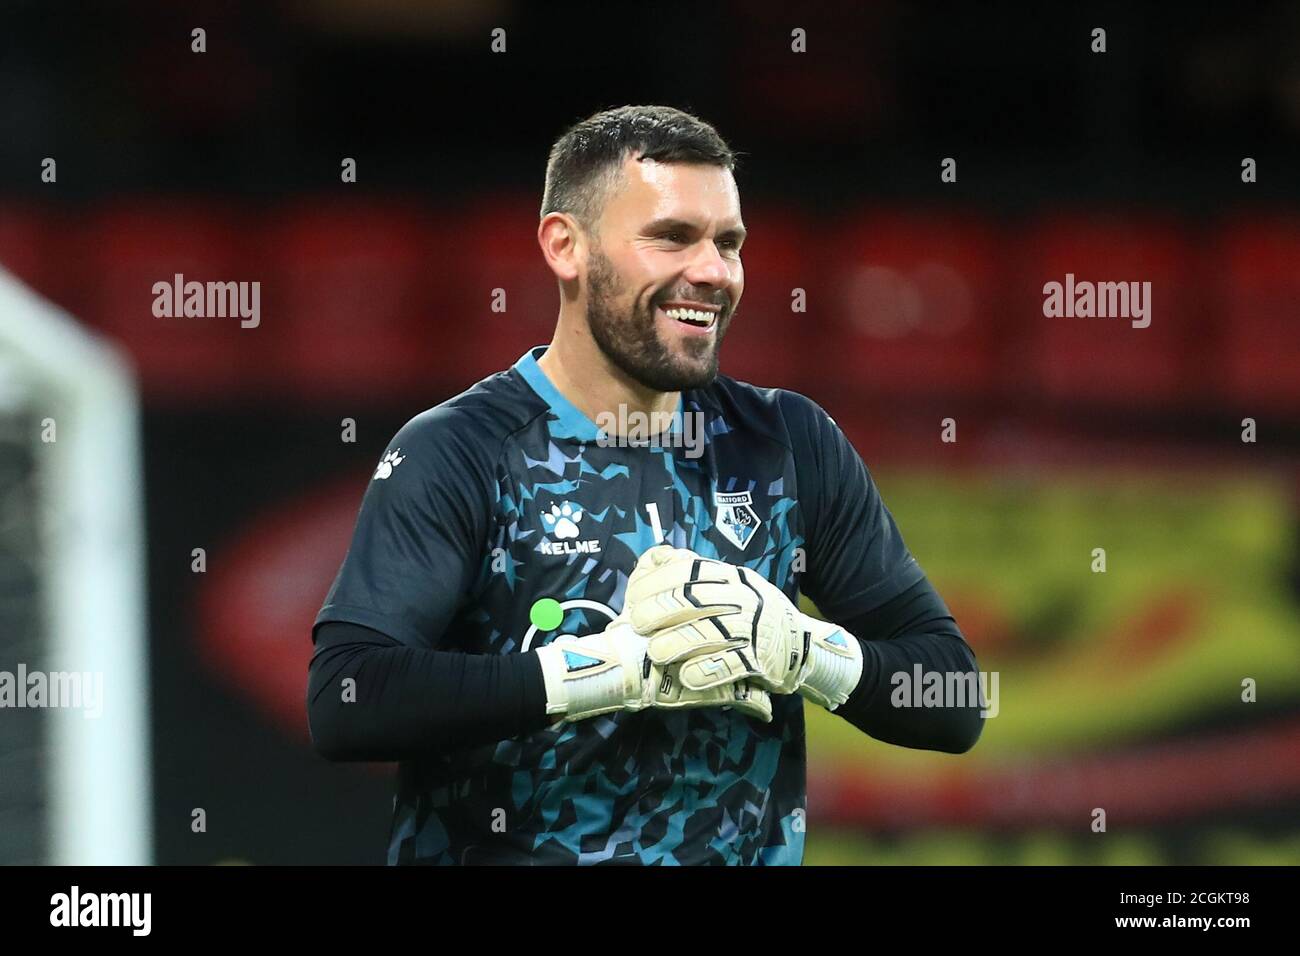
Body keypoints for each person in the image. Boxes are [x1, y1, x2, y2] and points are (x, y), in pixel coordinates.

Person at [308, 104, 982, 865]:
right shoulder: (462, 451)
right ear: (566, 246)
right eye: (672, 237)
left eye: (728, 243)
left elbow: (957, 701)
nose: (712, 271)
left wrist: (803, 650)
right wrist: (602, 673)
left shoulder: (787, 443)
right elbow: (347, 700)